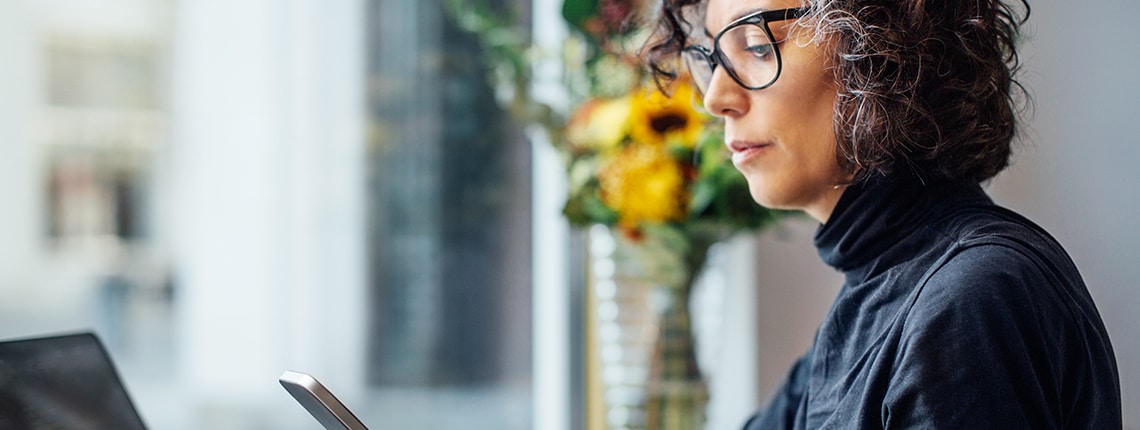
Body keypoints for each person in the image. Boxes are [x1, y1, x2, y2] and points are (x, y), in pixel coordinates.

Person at [643, 0, 1123, 428]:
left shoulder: (969, 299)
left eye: (757, 46)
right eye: (712, 58)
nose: (715, 99)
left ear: (878, 48)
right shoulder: (876, 295)